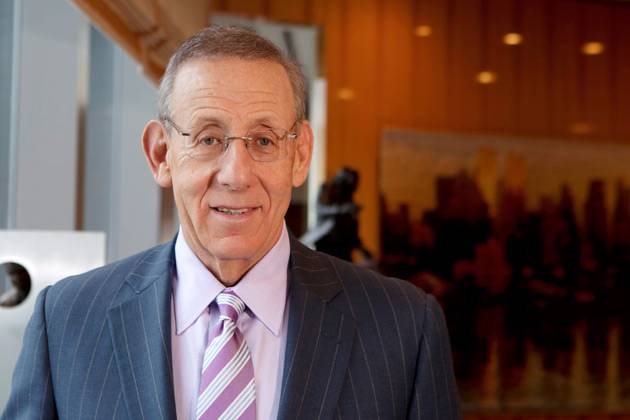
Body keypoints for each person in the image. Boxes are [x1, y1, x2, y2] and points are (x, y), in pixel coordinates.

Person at [1, 26, 461, 420]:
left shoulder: (403, 327)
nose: (236, 175)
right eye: (208, 139)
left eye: (263, 140)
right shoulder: (67, 320)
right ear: (161, 154)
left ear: (300, 155)